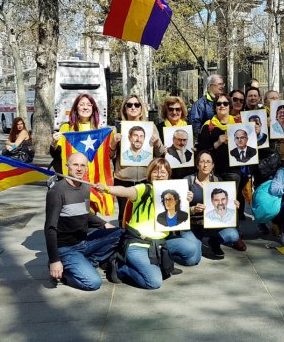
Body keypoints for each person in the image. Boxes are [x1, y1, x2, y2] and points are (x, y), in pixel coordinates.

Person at [95, 158, 201, 289]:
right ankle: (120, 268)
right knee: (154, 282)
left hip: (160, 243)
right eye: (155, 172)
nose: (159, 175)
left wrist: (188, 205)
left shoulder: (175, 192)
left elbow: (176, 218)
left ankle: (159, 263)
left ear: (168, 175)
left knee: (191, 249)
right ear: (149, 174)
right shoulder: (143, 189)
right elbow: (125, 191)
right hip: (138, 243)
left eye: (163, 172)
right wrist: (107, 188)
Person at [44, 152, 123, 290]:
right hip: (66, 248)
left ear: (87, 168)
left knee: (122, 233)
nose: (79, 169)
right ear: (67, 166)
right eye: (75, 165)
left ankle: (88, 262)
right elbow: (50, 228)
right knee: (93, 283)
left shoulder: (85, 187)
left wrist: (104, 224)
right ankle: (63, 273)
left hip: (84, 242)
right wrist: (54, 260)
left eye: (82, 165)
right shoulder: (57, 191)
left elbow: (85, 214)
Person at [112, 95, 166, 225]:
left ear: (141, 108)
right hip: (123, 180)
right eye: (129, 105)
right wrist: (113, 144)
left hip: (145, 179)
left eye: (136, 104)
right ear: (124, 108)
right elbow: (110, 156)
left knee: (145, 214)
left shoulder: (151, 128)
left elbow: (160, 155)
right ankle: (124, 242)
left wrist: (157, 143)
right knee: (124, 217)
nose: (133, 107)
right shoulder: (117, 128)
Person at [186, 150, 244, 258]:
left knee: (233, 235)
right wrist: (191, 207)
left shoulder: (218, 181)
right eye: (202, 161)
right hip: (194, 226)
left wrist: (233, 204)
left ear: (213, 165)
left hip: (213, 225)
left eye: (208, 162)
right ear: (197, 165)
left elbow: (224, 205)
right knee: (193, 259)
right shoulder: (188, 181)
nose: (205, 164)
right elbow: (179, 209)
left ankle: (214, 242)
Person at [197, 93, 242, 198]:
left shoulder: (238, 123)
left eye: (225, 103)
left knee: (232, 201)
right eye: (219, 104)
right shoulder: (208, 125)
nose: (222, 106)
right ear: (215, 107)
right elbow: (202, 150)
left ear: (229, 106)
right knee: (216, 199)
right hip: (214, 171)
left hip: (233, 171)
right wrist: (218, 143)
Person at [51, 93, 103, 174]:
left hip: (93, 175)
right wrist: (54, 142)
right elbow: (55, 155)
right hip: (71, 176)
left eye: (89, 105)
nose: (85, 107)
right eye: (81, 104)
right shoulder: (66, 128)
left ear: (93, 109)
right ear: (76, 108)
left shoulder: (100, 130)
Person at [189, 74, 225, 143]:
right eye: (219, 84)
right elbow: (195, 127)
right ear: (210, 86)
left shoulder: (225, 102)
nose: (222, 87)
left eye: (223, 84)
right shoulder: (200, 104)